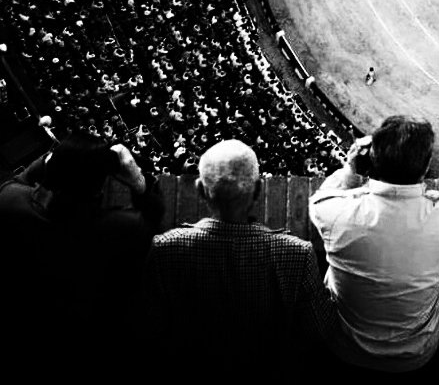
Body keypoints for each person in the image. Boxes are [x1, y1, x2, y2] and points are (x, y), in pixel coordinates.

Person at [143, 140, 338, 374]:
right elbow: (321, 332)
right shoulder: (297, 253)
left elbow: (147, 331)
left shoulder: (165, 248)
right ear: (258, 190)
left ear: (200, 190)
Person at [310, 116, 439, 379]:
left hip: (346, 345)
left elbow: (321, 200)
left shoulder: (332, 211)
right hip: (415, 352)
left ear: (371, 160)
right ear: (427, 166)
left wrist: (351, 169)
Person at [0, 132, 162, 365]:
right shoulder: (122, 227)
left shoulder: (8, 200)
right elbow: (154, 220)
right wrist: (139, 183)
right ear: (99, 186)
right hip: (91, 328)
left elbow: (21, 182)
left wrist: (57, 157)